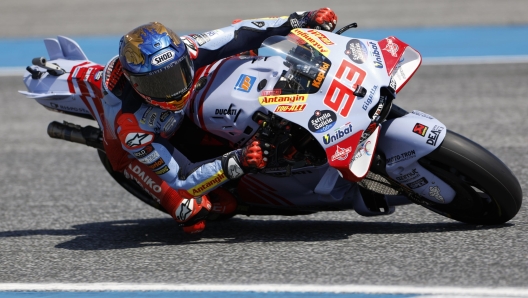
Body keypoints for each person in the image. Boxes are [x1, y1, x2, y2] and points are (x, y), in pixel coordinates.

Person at [99, 8, 338, 233]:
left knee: (246, 51)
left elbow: (243, 32)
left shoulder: (190, 48)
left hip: (195, 106)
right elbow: (182, 177)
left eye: (176, 74)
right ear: (137, 84)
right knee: (193, 212)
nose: (172, 89)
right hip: (135, 149)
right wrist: (239, 160)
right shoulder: (130, 127)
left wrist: (302, 19)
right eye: (158, 84)